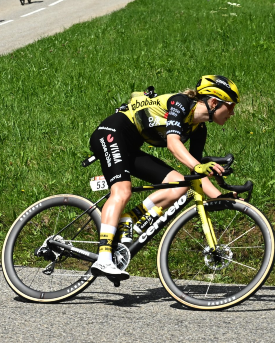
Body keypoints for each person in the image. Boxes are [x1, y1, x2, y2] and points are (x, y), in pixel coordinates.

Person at [88, 76, 241, 282]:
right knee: (122, 190)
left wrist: (221, 198)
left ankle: (128, 220)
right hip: (112, 133)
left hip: (131, 148)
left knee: (179, 185)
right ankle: (104, 258)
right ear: (214, 102)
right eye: (230, 107)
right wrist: (197, 165)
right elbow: (173, 142)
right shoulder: (181, 103)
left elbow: (196, 175)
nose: (232, 113)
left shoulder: (199, 129)